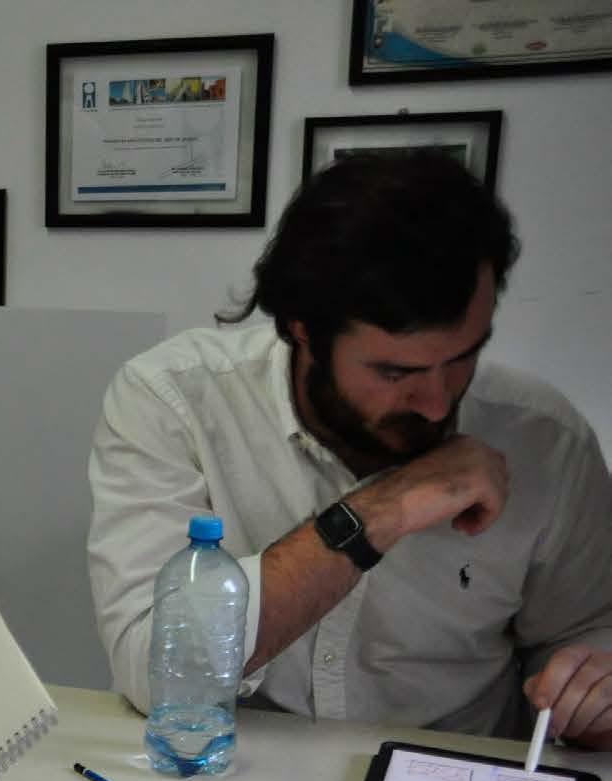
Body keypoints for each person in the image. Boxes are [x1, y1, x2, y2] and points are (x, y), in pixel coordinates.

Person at [88, 152, 612, 746]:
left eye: (464, 357)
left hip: (455, 773)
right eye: (394, 372)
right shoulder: (174, 400)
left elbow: (584, 631)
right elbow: (154, 671)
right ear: (302, 331)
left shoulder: (545, 438)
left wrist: (588, 689)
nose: (437, 403)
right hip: (236, 765)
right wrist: (382, 510)